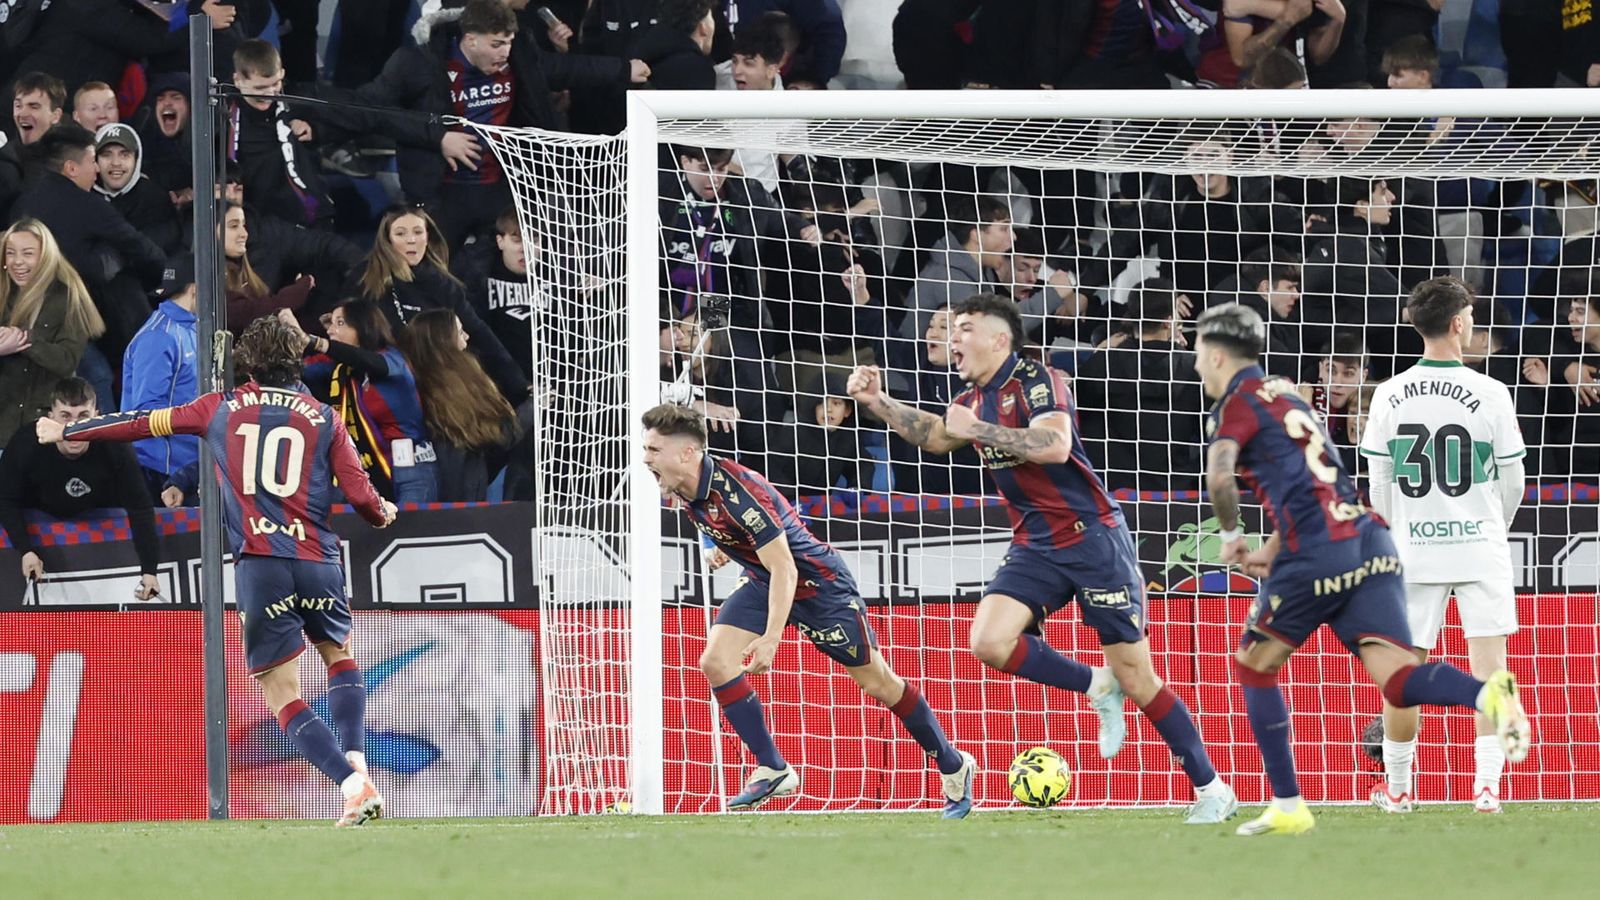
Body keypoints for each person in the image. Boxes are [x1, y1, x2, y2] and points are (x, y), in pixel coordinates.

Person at [849, 293, 1238, 824]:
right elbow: (940, 436)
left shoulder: (1039, 379)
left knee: (1139, 678)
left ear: (998, 338)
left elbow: (1054, 445)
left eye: (963, 328)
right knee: (988, 640)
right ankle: (1095, 684)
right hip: (1035, 543)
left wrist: (978, 430)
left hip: (1091, 539)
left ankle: (1212, 788)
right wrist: (878, 403)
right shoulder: (974, 393)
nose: (952, 337)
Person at [36, 314, 397, 828]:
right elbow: (362, 497)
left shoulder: (218, 408)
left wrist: (67, 429)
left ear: (246, 362)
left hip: (261, 564)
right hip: (319, 561)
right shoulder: (323, 417)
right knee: (339, 654)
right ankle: (357, 761)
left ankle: (350, 783)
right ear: (296, 361)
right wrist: (382, 511)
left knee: (280, 689)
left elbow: (141, 421)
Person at [1193, 302, 1530, 836]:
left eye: (1197, 357)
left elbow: (1219, 476)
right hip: (1370, 540)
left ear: (1215, 356)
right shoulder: (1289, 395)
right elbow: (1327, 483)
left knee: (1255, 666)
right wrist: (1277, 545)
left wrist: (1233, 538)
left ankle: (1290, 802)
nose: (1195, 367)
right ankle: (1487, 694)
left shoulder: (1236, 404)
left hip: (1336, 547)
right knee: (1398, 677)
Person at [641, 403, 977, 815]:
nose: (645, 458)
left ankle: (953, 764)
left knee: (879, 684)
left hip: (818, 587)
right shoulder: (681, 484)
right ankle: (773, 768)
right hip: (765, 582)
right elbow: (720, 528)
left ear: (687, 453)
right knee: (715, 660)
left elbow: (786, 565)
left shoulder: (740, 493)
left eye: (654, 450)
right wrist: (715, 548)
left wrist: (771, 639)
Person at [1357, 277, 1528, 816]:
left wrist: (1401, 528)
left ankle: (1401, 791)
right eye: (1472, 317)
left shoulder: (1387, 393)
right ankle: (1486, 792)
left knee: (1404, 673)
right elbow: (1514, 481)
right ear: (1458, 322)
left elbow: (1379, 484)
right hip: (1479, 543)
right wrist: (1487, 523)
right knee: (1490, 670)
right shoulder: (1491, 392)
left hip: (1412, 548)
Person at [348, 205, 530, 402]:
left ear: (428, 236)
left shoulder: (443, 284)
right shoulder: (364, 278)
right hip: (382, 375)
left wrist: (519, 383)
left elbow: (480, 332)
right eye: (401, 233)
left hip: (437, 376)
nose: (411, 240)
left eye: (418, 232)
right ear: (387, 240)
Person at [0, 377, 160, 600]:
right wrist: (25, 549)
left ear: (97, 416)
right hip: (35, 518)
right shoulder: (25, 445)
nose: (74, 427)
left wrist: (150, 570)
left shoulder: (116, 448)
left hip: (97, 516)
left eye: (83, 417)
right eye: (65, 417)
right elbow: (6, 501)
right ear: (49, 418)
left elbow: (140, 508)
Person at [294, 301, 435, 504]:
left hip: (411, 470)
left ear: (363, 326)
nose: (331, 331)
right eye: (331, 323)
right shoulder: (338, 366)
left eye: (340, 323)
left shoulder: (393, 359)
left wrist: (317, 343)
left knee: (410, 534)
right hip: (365, 470)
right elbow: (297, 371)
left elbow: (372, 363)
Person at [0, 218, 106, 449]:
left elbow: (67, 361)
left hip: (41, 430)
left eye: (27, 253)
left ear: (45, 257)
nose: (18, 261)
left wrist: (25, 340)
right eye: (11, 253)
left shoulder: (67, 299)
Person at [396, 308, 519, 502]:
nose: (467, 338)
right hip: (457, 500)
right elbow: (497, 435)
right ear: (444, 343)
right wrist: (534, 408)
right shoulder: (448, 390)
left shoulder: (413, 380)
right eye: (461, 333)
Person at [227, 40, 335, 231]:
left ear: (283, 74)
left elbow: (349, 117)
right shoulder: (222, 118)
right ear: (237, 80)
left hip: (308, 221)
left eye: (275, 84)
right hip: (253, 225)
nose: (270, 93)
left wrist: (316, 131)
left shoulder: (299, 102)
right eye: (260, 88)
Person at [121, 255, 200, 499]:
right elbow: (147, 412)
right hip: (161, 472)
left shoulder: (194, 327)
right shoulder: (158, 338)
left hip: (190, 466)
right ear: (196, 289)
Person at [223, 202, 313, 333]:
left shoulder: (244, 272)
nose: (244, 233)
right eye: (234, 226)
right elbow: (255, 313)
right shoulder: (206, 280)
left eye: (244, 225)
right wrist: (301, 287)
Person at [93, 123, 182, 256]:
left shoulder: (155, 199)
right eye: (106, 155)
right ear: (95, 160)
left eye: (124, 155)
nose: (116, 163)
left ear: (137, 160)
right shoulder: (84, 197)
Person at [10, 71, 65, 146]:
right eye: (18, 106)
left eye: (34, 107)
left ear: (56, 116)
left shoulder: (73, 154)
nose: (22, 114)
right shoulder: (4, 155)